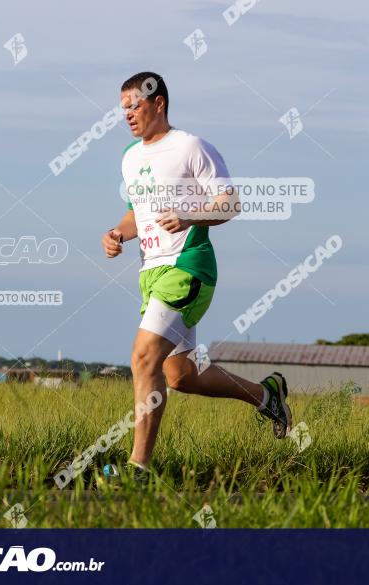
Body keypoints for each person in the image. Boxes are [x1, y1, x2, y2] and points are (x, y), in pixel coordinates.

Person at [101, 72, 292, 482]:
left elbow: (230, 202)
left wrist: (190, 216)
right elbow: (139, 212)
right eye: (123, 109)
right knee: (179, 375)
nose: (127, 115)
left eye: (134, 106)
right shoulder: (131, 157)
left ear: (158, 104)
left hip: (189, 266)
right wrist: (118, 233)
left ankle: (138, 470)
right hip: (150, 271)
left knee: (143, 357)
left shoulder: (190, 147)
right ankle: (266, 396)